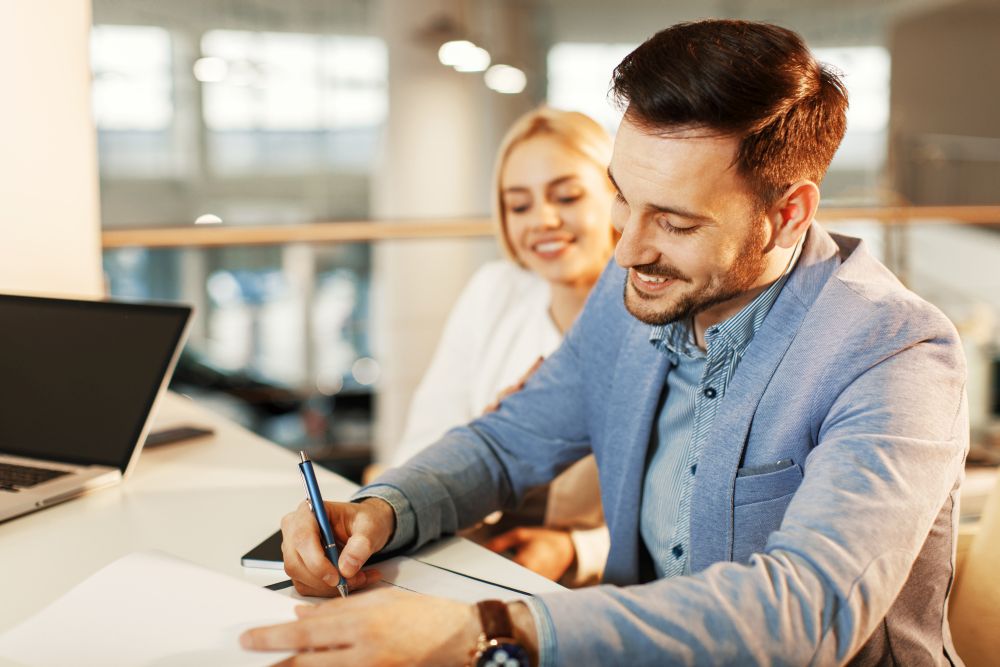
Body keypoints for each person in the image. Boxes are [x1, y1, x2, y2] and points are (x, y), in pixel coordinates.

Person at [242, 19, 968, 666]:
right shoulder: (640, 295)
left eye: (676, 222)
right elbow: (507, 442)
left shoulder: (895, 353)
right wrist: (383, 509)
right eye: (623, 196)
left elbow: (807, 612)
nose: (626, 250)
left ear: (788, 214)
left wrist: (485, 632)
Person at [387, 106, 617, 584]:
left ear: (618, 195)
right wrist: (488, 436)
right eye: (519, 206)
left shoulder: (656, 312)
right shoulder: (494, 291)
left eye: (567, 196)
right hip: (471, 554)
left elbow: (677, 509)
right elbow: (422, 443)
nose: (543, 220)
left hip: (598, 585)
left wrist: (577, 550)